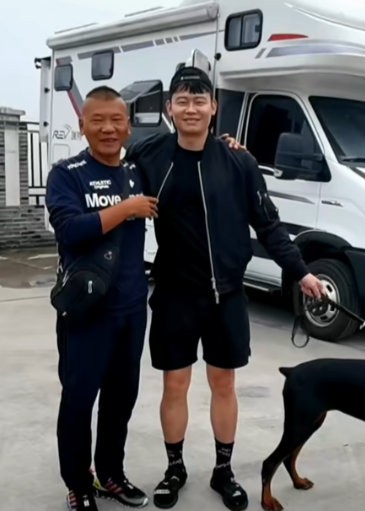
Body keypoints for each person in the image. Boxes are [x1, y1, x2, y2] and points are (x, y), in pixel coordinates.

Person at [124, 66, 325, 511]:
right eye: (182, 100)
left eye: (200, 100)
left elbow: (269, 226)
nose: (191, 108)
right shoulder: (149, 155)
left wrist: (302, 273)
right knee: (175, 384)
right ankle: (174, 469)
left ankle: (223, 470)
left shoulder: (239, 162)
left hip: (227, 295)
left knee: (223, 383)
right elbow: (112, 177)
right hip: (175, 294)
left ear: (214, 107)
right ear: (169, 108)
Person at [45, 86, 159, 511]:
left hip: (131, 307)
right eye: (98, 120)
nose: (108, 128)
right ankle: (78, 483)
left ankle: (110, 473)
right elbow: (69, 230)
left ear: (128, 126)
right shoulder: (67, 173)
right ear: (82, 126)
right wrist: (126, 208)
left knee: (120, 399)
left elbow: (184, 159)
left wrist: (227, 145)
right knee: (78, 400)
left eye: (116, 120)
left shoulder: (136, 171)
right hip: (87, 311)